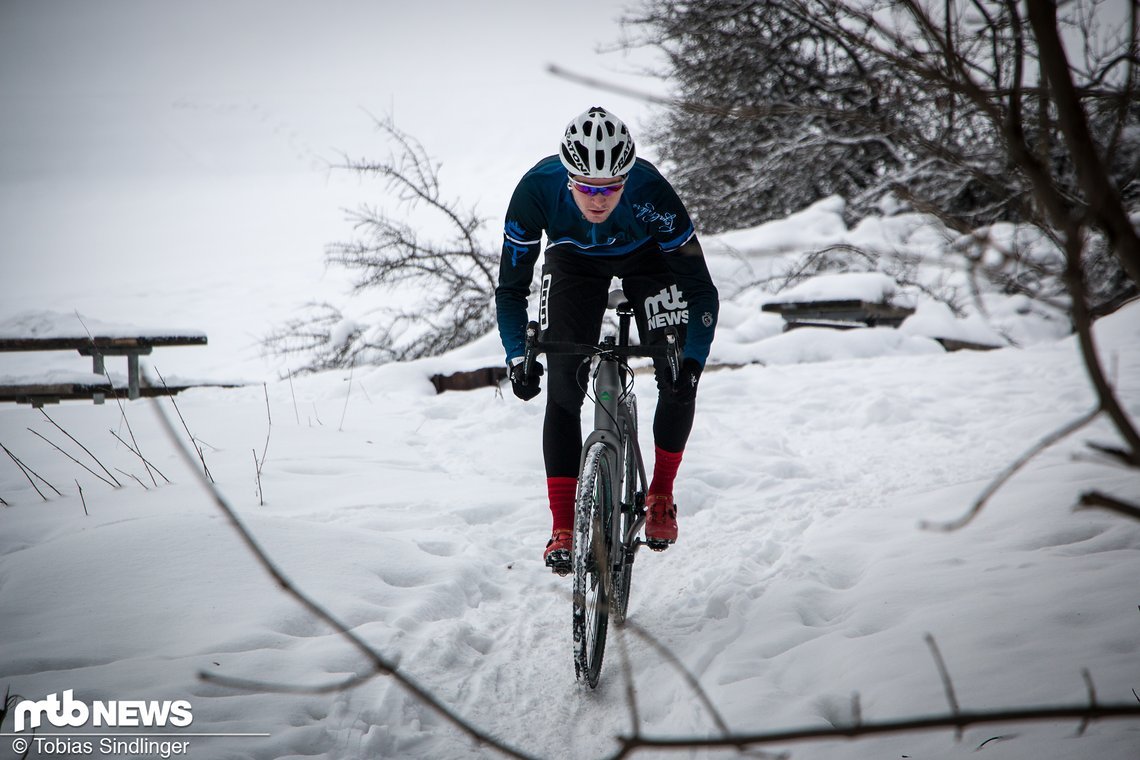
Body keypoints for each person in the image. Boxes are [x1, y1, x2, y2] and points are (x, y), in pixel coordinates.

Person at [495, 106, 719, 573]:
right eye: (587, 188)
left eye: (611, 188)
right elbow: (512, 289)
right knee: (562, 385)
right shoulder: (535, 190)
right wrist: (518, 356)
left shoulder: (652, 192)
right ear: (568, 177)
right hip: (573, 261)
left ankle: (660, 492)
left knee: (676, 373)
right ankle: (562, 524)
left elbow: (700, 289)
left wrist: (693, 363)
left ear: (627, 178)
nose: (598, 200)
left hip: (648, 259)